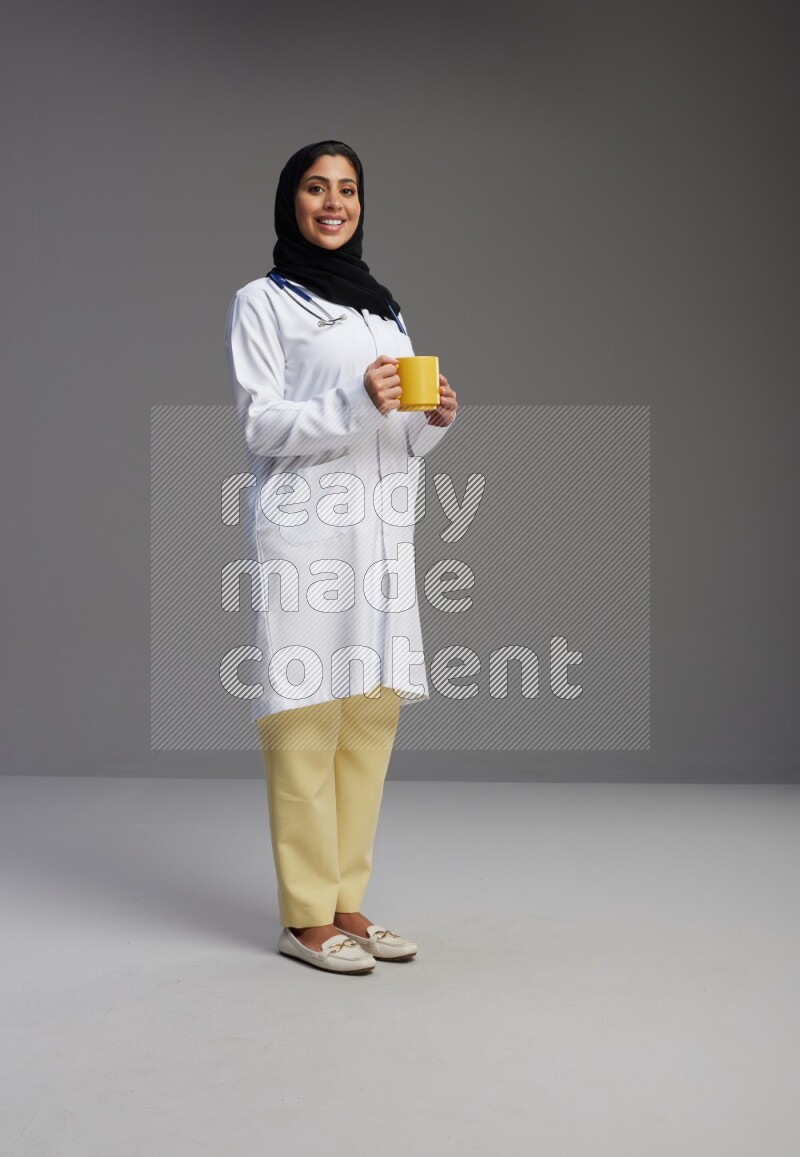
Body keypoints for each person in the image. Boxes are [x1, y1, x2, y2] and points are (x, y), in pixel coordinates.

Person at [224, 140, 458, 974]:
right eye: (317, 188)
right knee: (304, 717)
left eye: (348, 189)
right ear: (291, 200)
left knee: (368, 717)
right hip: (307, 537)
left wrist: (427, 424)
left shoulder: (383, 310)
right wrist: (353, 396)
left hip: (382, 536)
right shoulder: (263, 302)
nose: (334, 202)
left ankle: (347, 902)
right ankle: (303, 915)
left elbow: (391, 439)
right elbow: (259, 425)